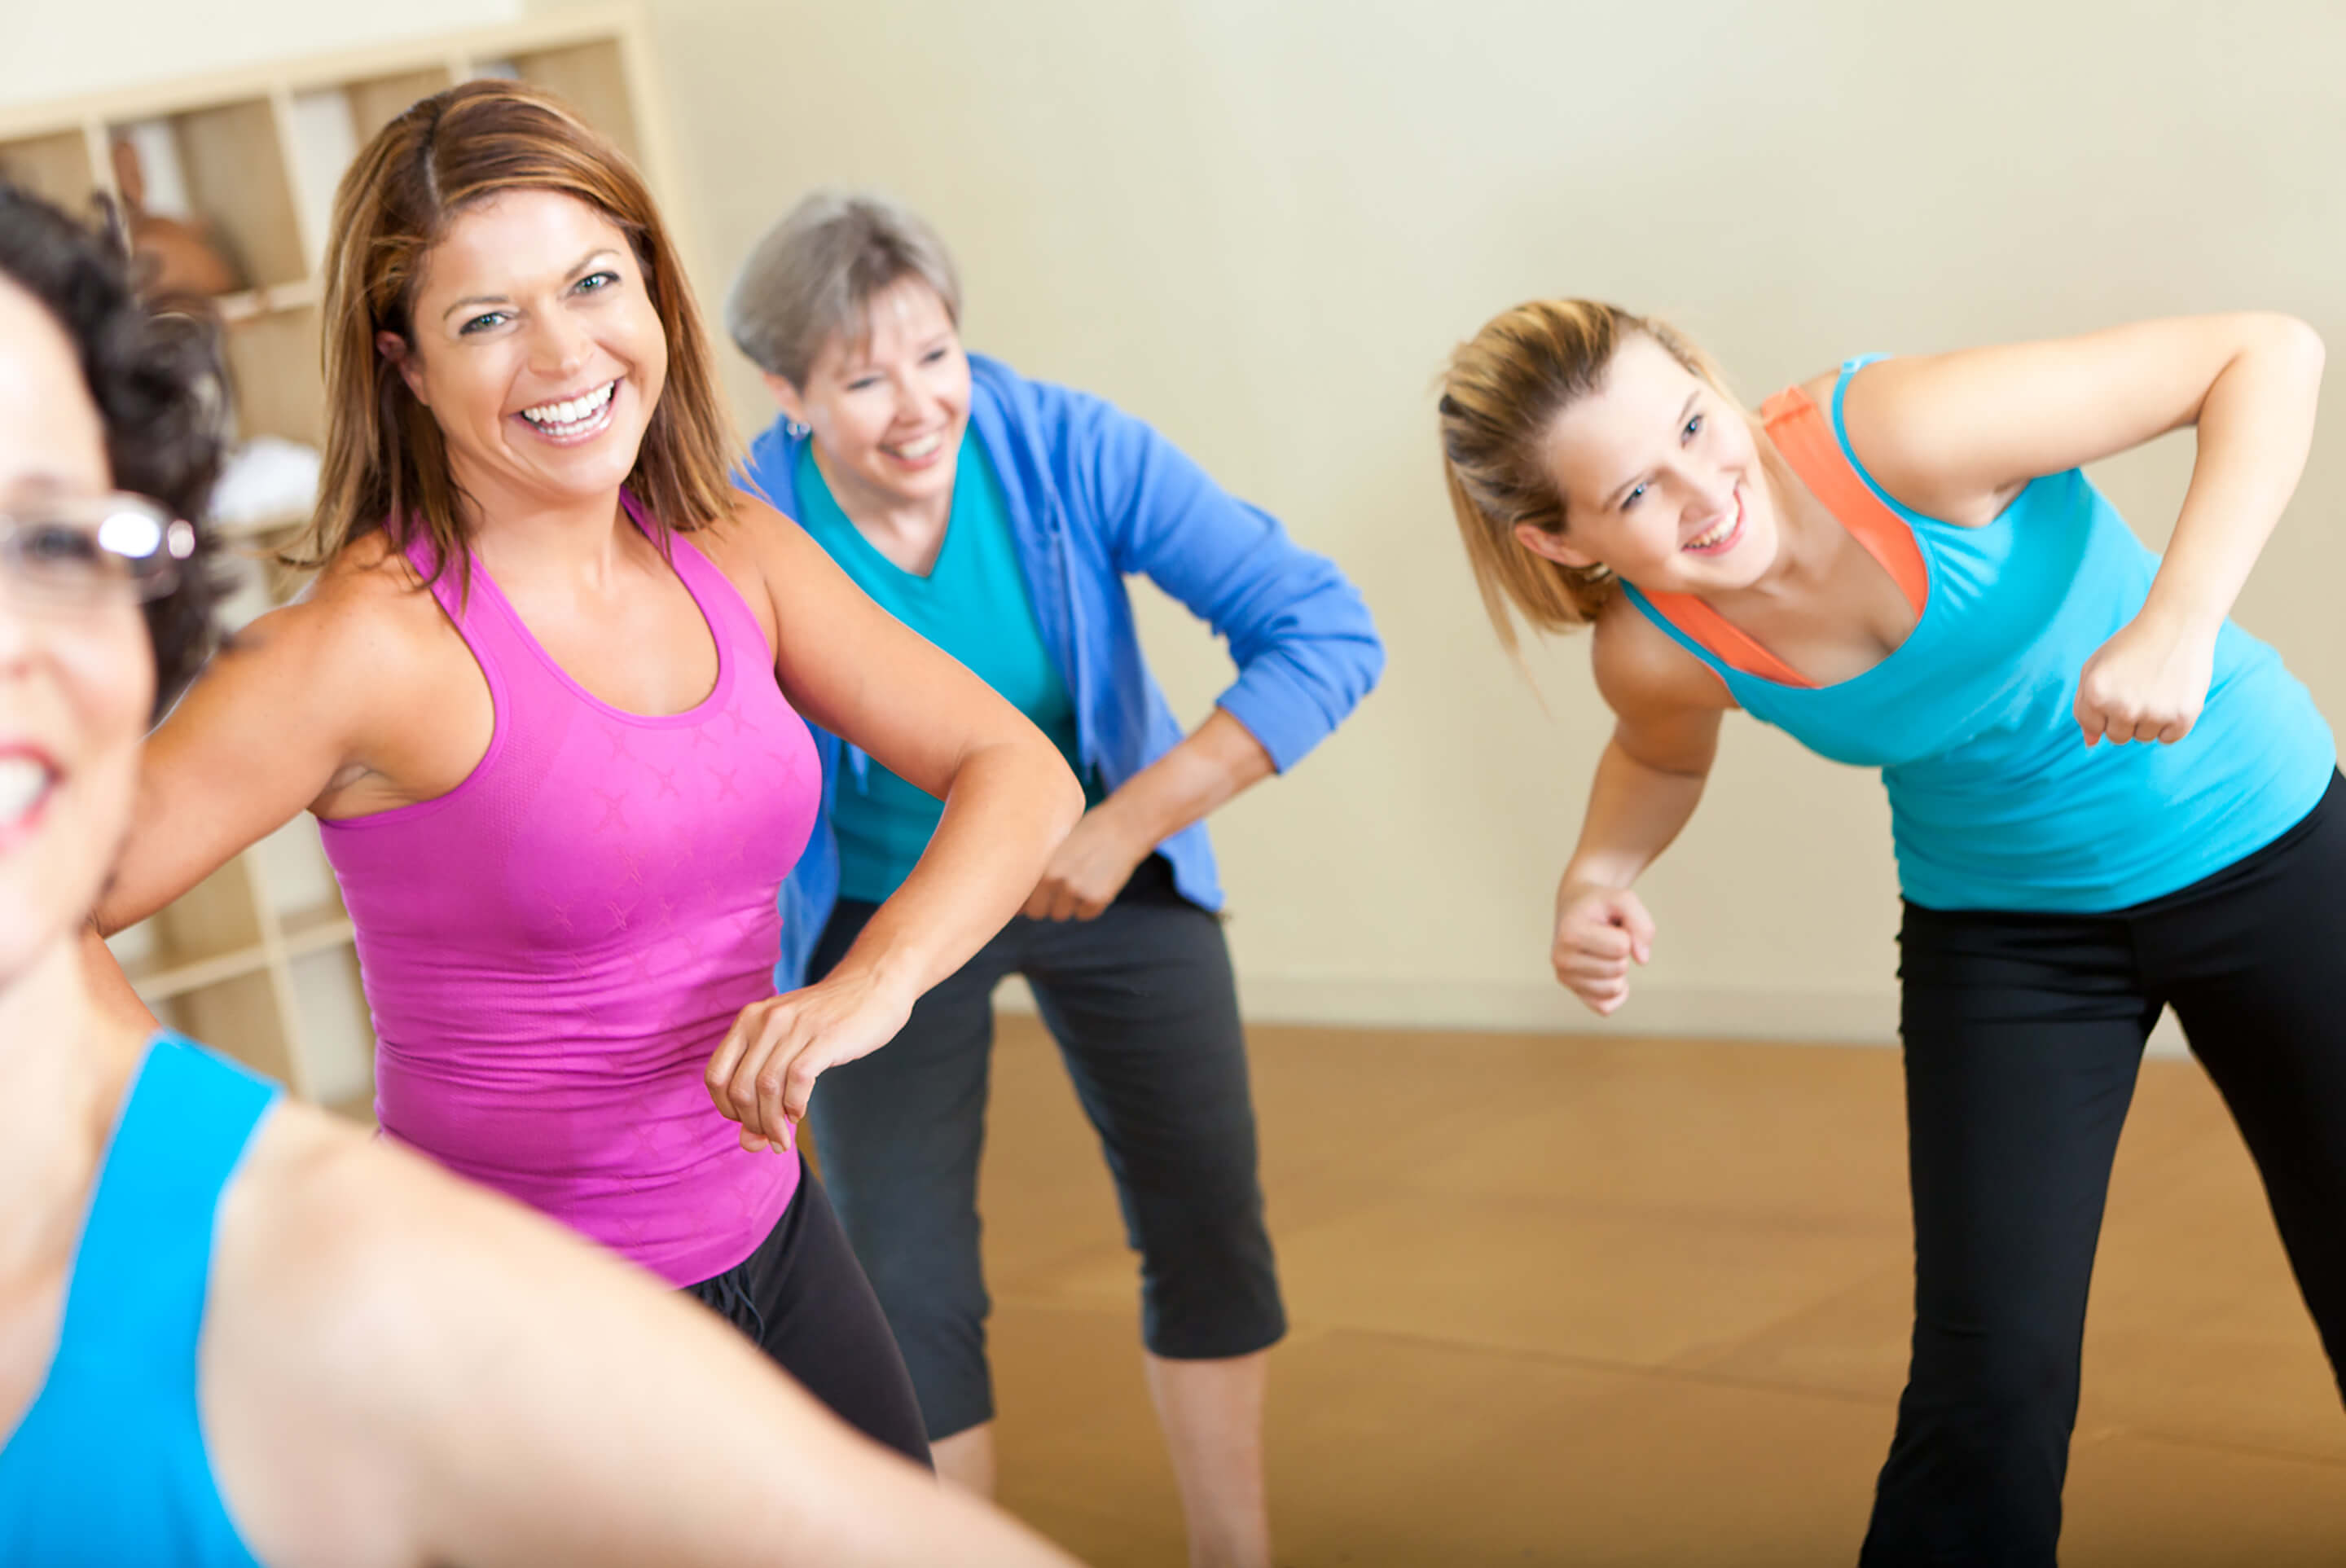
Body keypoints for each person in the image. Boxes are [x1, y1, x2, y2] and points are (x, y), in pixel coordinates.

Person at [0, 181, 1083, 1568]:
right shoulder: (358, 645)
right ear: (406, 360)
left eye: (593, 284)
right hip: (521, 1302)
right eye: (488, 317)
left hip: (776, 1231)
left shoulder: (732, 550)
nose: (566, 355)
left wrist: (874, 982)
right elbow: (53, 894)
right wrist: (197, 1188)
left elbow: (1020, 767)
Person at [1436, 299, 2338, 1566]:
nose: (1705, 492)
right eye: (1638, 489)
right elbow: (1658, 754)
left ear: (1707, 373)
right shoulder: (1656, 645)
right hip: (2007, 933)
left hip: (2260, 840)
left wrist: (2180, 618)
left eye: (1696, 423)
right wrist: (1598, 871)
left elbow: (2269, 354)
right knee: (1991, 1371)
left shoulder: (1899, 434)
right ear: (1561, 539)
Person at [725, 191, 1383, 1567]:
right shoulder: (746, 529)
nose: (917, 406)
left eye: (936, 355)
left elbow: (1322, 627)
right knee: (903, 1282)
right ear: (786, 394)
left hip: (1107, 875)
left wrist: (1125, 821)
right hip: (882, 921)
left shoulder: (1067, 447)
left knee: (1208, 1224)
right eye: (861, 377)